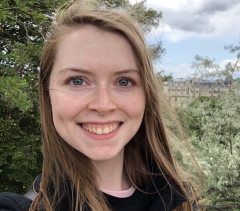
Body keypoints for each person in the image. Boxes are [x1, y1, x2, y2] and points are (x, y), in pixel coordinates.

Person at [0, 0, 201, 210]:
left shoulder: (182, 200)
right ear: (47, 92)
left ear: (146, 95)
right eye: (77, 80)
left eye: (124, 81)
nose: (103, 105)